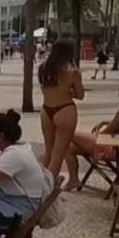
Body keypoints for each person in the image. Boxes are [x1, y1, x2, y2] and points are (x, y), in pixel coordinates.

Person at [64, 83, 119, 191]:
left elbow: (106, 133)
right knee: (70, 149)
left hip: (117, 150)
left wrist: (95, 134)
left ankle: (73, 179)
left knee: (69, 133)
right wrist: (105, 122)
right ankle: (73, 180)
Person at [39, 40, 84, 183]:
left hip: (46, 110)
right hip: (64, 109)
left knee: (48, 152)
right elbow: (80, 95)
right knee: (58, 155)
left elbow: (44, 90)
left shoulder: (43, 68)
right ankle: (46, 188)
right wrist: (68, 91)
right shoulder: (73, 71)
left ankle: (38, 183)